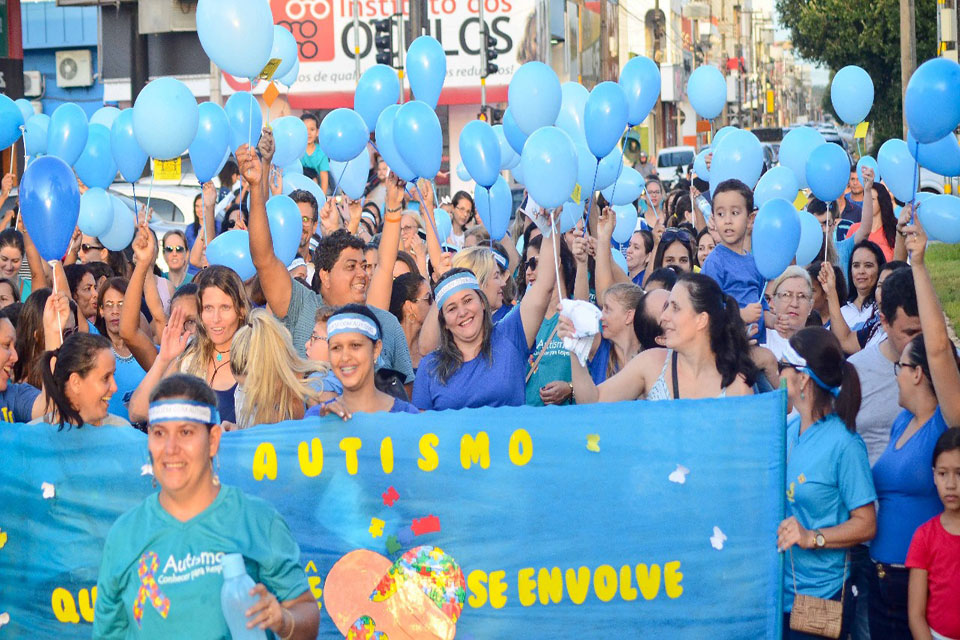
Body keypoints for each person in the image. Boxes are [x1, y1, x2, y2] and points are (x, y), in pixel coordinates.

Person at [92, 374, 320, 639]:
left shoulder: (256, 520)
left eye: (186, 432)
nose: (170, 448)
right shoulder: (125, 534)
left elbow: (306, 615)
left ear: (213, 440)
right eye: (159, 433)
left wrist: (282, 619)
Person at [241, 144, 415, 387]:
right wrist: (256, 188)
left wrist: (394, 205)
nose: (362, 274)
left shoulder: (384, 323)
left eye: (364, 266)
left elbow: (407, 402)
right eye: (351, 266)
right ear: (325, 275)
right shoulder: (300, 306)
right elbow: (264, 259)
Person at [776, 328, 877, 640]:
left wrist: (812, 537)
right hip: (779, 592)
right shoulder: (788, 429)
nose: (778, 374)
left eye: (783, 366)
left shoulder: (846, 445)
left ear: (803, 378)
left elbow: (866, 524)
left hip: (822, 596)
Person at [869, 331, 959, 638]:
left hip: (921, 582)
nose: (897, 377)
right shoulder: (902, 421)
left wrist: (921, 279)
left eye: (900, 367)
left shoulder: (943, 423)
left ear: (918, 372)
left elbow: (939, 352)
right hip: (881, 579)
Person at [412, 228, 557, 411]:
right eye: (451, 308)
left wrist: (552, 225)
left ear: (482, 302)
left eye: (467, 301)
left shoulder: (510, 336)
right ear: (444, 322)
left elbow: (544, 287)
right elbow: (423, 432)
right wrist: (443, 282)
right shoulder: (430, 367)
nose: (462, 312)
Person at [563, 272, 758, 403]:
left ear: (701, 320)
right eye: (666, 307)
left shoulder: (738, 386)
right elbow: (594, 401)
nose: (664, 318)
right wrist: (575, 351)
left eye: (675, 308)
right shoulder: (651, 363)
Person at [128, 266, 251, 425]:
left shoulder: (258, 356)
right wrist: (164, 358)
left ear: (240, 310)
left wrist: (240, 432)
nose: (215, 318)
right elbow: (138, 412)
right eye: (208, 308)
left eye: (225, 307)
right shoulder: (189, 358)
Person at [307, 305, 419, 419]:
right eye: (336, 348)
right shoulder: (318, 415)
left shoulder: (407, 415)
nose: (345, 357)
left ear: (376, 349)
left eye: (355, 345)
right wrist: (323, 429)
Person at [229, 308, 326, 428]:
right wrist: (238, 433)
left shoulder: (320, 390)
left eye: (252, 387)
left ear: (273, 370)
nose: (247, 395)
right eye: (242, 388)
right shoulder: (243, 393)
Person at [906, 428, 960, 640]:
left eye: (959, 473)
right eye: (943, 473)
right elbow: (916, 615)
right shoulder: (924, 536)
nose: (951, 484)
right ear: (934, 476)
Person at [700, 179, 766, 338]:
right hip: (728, 347)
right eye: (721, 214)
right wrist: (741, 315)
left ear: (750, 220)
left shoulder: (754, 262)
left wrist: (775, 320)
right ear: (714, 220)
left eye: (735, 213)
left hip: (756, 343)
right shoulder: (715, 262)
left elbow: (762, 306)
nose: (727, 220)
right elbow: (707, 308)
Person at [36, 331, 131, 428]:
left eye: (113, 375)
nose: (115, 388)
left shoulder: (122, 430)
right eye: (105, 378)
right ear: (76, 382)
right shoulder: (31, 438)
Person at [95, 278, 147, 422]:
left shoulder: (146, 350)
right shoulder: (94, 348)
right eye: (109, 305)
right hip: (107, 438)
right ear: (101, 311)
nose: (115, 311)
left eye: (122, 304)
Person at [576, 283, 645, 384]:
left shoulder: (649, 355)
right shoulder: (600, 346)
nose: (601, 316)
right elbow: (579, 310)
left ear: (629, 316)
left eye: (607, 310)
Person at [765, 267, 815, 360]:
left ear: (810, 306)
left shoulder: (817, 347)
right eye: (787, 295)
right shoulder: (761, 339)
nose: (794, 304)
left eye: (802, 296)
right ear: (774, 301)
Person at [841, 240, 886, 332]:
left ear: (879, 269)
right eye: (856, 266)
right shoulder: (841, 311)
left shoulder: (884, 307)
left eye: (868, 266)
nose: (861, 271)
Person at [846, 181, 897, 261]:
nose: (868, 203)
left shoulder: (894, 230)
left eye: (872, 199)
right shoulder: (854, 229)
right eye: (866, 199)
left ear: (881, 202)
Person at [390, 273, 431, 371]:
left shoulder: (434, 346)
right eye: (428, 299)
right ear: (410, 307)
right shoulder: (389, 352)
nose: (433, 304)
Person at [299, 112, 330, 194]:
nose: (308, 133)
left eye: (312, 129)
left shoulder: (322, 153)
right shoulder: (297, 151)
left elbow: (324, 179)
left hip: (315, 191)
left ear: (317, 132)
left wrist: (322, 199)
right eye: (305, 130)